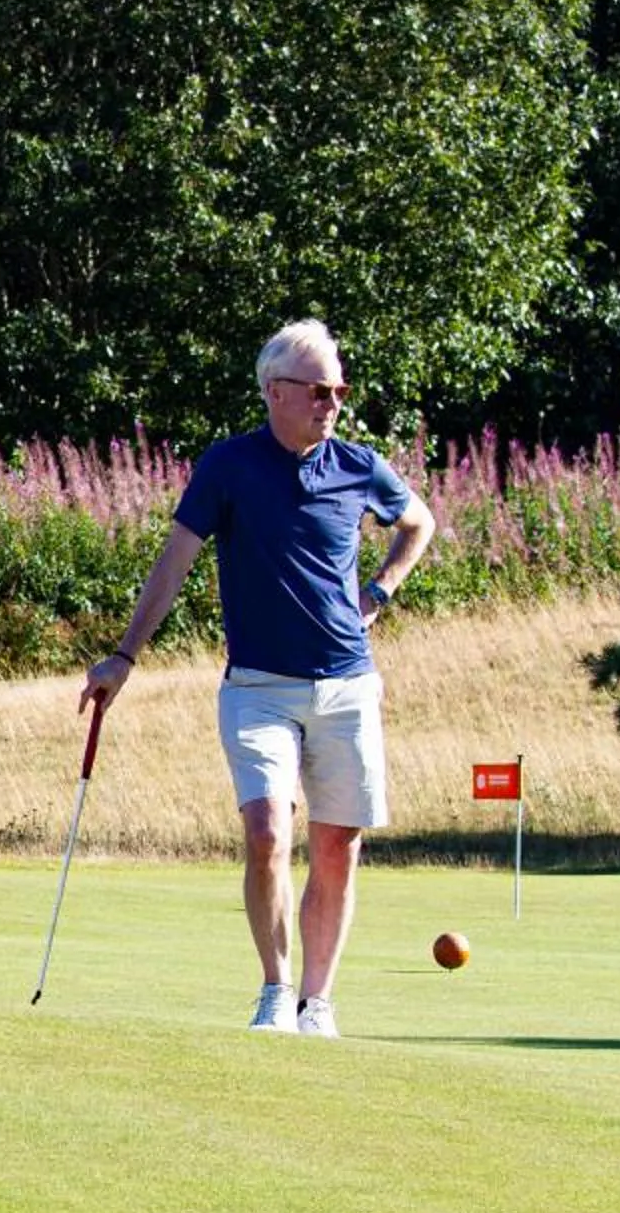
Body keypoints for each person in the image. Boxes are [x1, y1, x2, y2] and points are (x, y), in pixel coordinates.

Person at [80, 320, 436, 1037]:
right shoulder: (227, 466)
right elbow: (174, 562)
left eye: (340, 389)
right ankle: (275, 992)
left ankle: (317, 1001)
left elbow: (418, 523)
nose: (332, 401)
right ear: (275, 391)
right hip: (258, 687)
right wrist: (125, 656)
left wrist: (381, 592)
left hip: (346, 684)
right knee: (269, 829)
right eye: (318, 389)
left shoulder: (359, 465)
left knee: (338, 844)